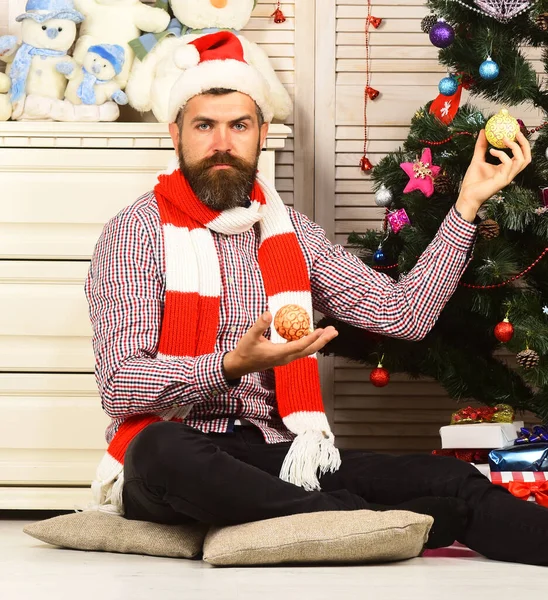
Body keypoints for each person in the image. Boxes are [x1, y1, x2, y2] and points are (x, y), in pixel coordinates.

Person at [85, 32, 546, 565]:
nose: (221, 143)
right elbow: (121, 387)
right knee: (164, 452)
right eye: (204, 125)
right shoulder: (134, 232)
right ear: (176, 135)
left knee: (451, 477)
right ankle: (360, 519)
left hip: (281, 458)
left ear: (261, 133)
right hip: (177, 451)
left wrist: (467, 203)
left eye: (238, 125)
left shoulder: (294, 235)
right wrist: (231, 364)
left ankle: (353, 515)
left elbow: (405, 315)